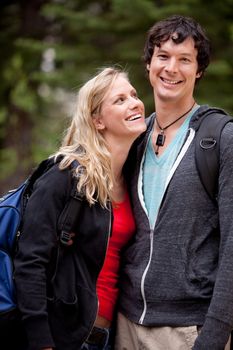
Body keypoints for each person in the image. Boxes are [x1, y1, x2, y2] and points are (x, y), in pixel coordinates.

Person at [115, 15, 233, 350]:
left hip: (188, 331)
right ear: (149, 64)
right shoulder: (133, 138)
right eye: (163, 56)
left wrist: (214, 335)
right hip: (125, 325)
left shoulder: (221, 138)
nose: (172, 68)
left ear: (199, 71)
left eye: (185, 60)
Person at [13, 66, 146, 350]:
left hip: (111, 337)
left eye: (133, 95)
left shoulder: (133, 177)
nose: (134, 102)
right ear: (98, 120)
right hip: (64, 337)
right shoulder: (66, 175)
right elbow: (30, 261)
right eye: (120, 100)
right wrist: (41, 342)